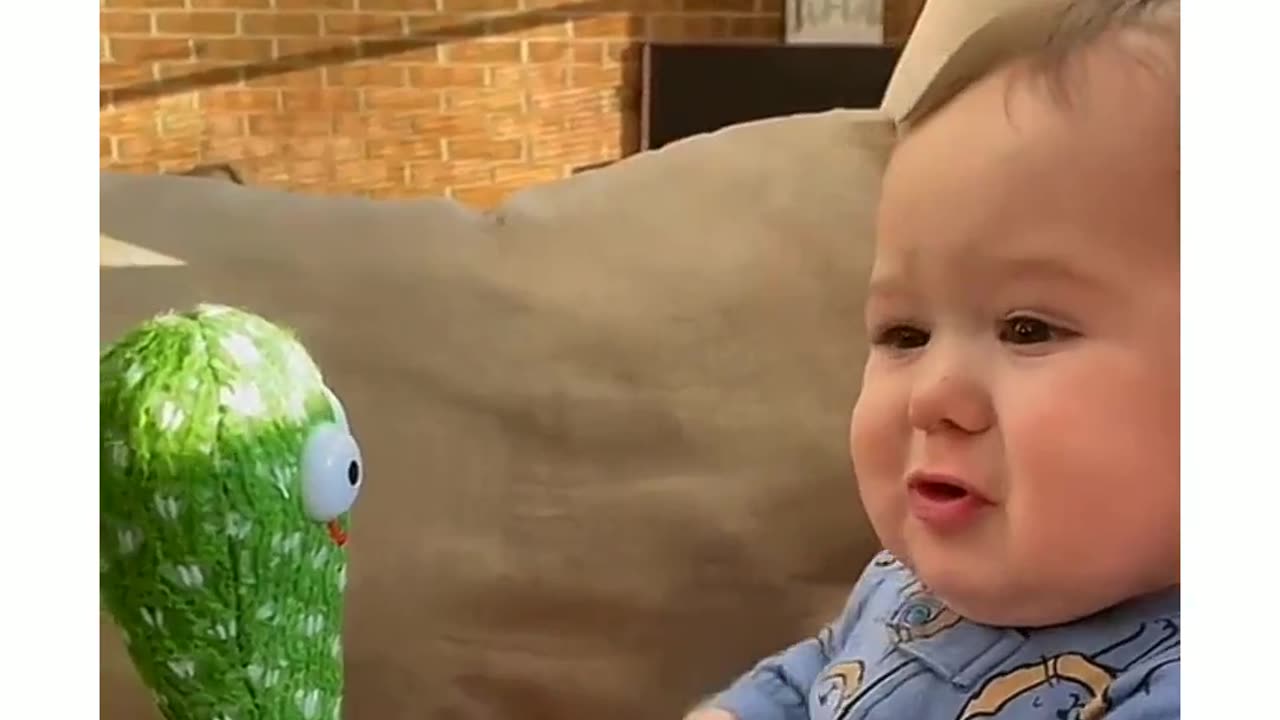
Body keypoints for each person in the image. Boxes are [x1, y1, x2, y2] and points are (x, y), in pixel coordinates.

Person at [685, 1, 1180, 718]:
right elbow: (808, 683)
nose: (930, 396)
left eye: (1028, 329)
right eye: (904, 336)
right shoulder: (902, 587)